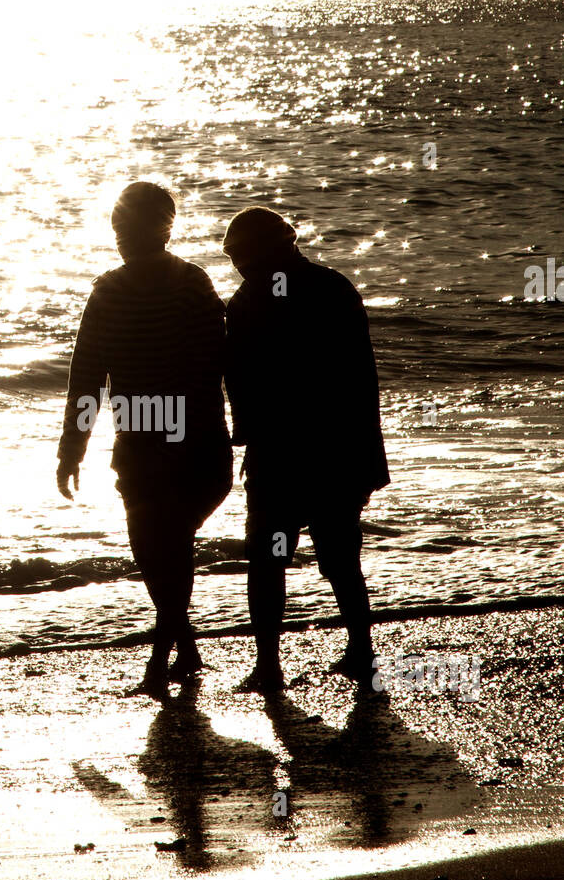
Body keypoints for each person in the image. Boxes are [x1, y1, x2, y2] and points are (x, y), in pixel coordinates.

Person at [57, 182, 232, 694]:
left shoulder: (177, 286)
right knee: (161, 548)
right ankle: (185, 649)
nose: (121, 238)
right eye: (117, 228)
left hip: (181, 444)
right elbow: (86, 375)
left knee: (161, 547)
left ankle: (161, 663)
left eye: (129, 227)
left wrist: (73, 449)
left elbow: (223, 361)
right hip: (159, 442)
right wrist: (73, 448)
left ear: (162, 228)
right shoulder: (163, 284)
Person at [222, 206, 389, 693]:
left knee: (278, 557)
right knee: (323, 556)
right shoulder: (324, 288)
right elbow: (363, 383)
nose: (242, 263)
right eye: (236, 256)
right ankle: (347, 651)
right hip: (320, 454)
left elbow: (357, 381)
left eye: (245, 254)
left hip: (305, 455)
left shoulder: (257, 300)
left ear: (281, 245)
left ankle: (284, 661)